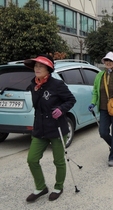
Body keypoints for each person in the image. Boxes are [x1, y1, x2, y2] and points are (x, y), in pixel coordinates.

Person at [24, 54, 76, 202]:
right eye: (35, 66)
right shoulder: (33, 85)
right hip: (40, 129)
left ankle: (58, 186)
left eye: (40, 66)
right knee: (32, 159)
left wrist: (61, 109)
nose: (37, 68)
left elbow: (71, 99)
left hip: (56, 128)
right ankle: (40, 187)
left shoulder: (57, 85)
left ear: (49, 69)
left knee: (58, 161)